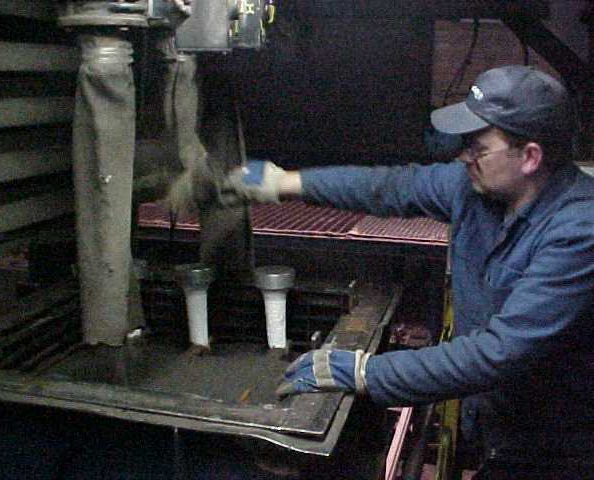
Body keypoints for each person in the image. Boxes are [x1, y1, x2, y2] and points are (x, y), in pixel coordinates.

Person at [228, 65, 594, 479]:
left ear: (530, 156)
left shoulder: (579, 232)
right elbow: (390, 187)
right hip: (497, 429)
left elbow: (498, 352)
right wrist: (281, 181)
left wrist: (367, 372)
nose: (463, 157)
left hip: (559, 451)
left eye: (478, 147)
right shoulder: (476, 189)